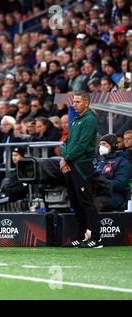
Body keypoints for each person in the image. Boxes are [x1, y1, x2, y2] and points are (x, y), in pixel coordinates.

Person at [59, 91, 102, 248]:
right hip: (71, 164)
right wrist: (64, 156)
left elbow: (82, 145)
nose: (74, 105)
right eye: (74, 102)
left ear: (86, 103)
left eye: (77, 102)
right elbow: (68, 141)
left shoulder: (89, 120)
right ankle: (81, 235)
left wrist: (66, 158)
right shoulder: (77, 120)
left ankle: (96, 238)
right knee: (76, 202)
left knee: (86, 201)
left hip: (82, 165)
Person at [94, 134, 132, 212]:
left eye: (104, 144)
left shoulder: (123, 161)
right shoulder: (102, 162)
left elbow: (121, 183)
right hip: (101, 194)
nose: (101, 146)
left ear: (112, 145)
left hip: (116, 195)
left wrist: (102, 183)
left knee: (94, 203)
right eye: (100, 144)